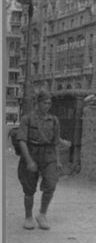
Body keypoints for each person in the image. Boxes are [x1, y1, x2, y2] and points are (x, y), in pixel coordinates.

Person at [16, 90, 62, 230]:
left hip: (48, 155)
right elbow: (22, 141)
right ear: (38, 103)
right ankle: (29, 217)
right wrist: (29, 161)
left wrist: (58, 160)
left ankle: (42, 214)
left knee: (51, 184)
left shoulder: (54, 120)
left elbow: (55, 142)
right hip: (31, 152)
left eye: (49, 103)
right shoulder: (27, 119)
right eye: (44, 103)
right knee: (29, 188)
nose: (47, 106)